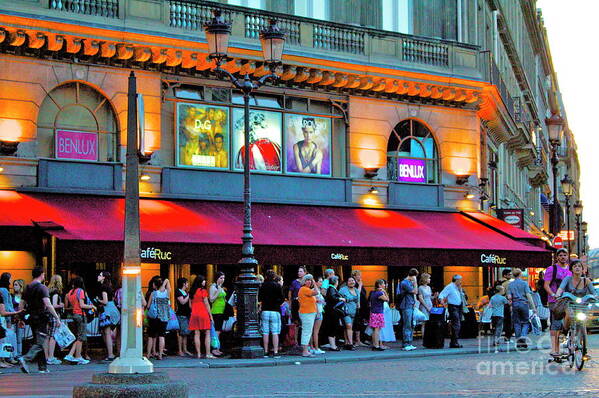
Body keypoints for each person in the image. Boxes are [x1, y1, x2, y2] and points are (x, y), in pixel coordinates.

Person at [18, 268, 62, 374]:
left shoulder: (27, 287)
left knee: (38, 341)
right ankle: (26, 358)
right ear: (42, 275)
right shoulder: (42, 288)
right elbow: (48, 304)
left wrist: (20, 318)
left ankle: (42, 367)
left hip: (31, 317)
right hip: (41, 317)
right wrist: (56, 317)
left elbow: (21, 304)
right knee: (40, 341)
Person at [544, 248, 572, 357]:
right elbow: (546, 285)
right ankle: (555, 349)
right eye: (560, 255)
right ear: (557, 257)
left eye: (565, 255)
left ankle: (567, 344)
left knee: (569, 322)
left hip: (568, 300)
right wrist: (552, 294)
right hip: (555, 301)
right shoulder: (552, 269)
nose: (563, 257)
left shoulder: (571, 269)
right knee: (556, 324)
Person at [556, 260, 598, 331]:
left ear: (582, 269)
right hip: (569, 303)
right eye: (575, 266)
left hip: (582, 304)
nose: (577, 268)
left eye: (579, 266)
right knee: (569, 315)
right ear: (571, 269)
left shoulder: (586, 281)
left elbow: (594, 292)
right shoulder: (568, 278)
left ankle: (582, 333)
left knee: (586, 318)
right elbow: (560, 289)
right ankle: (565, 331)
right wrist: (557, 294)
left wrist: (596, 296)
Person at [64, 276, 95, 365]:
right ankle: (78, 356)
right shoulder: (80, 291)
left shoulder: (70, 292)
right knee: (81, 337)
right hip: (81, 315)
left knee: (79, 337)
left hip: (74, 314)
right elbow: (82, 305)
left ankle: (72, 355)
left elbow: (69, 305)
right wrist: (92, 306)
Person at [507, 269, 537, 349]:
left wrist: (511, 305)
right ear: (520, 274)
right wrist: (533, 307)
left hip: (515, 304)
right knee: (525, 322)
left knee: (516, 323)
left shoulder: (510, 285)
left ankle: (518, 341)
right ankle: (523, 338)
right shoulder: (524, 283)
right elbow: (528, 296)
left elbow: (509, 297)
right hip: (524, 304)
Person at [258, 270, 284, 358]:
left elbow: (259, 298)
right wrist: (277, 303)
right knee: (275, 332)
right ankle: (275, 351)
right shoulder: (277, 286)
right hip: (275, 310)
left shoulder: (263, 286)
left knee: (265, 332)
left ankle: (266, 351)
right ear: (274, 277)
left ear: (266, 277)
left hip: (265, 310)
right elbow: (282, 298)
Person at [145, 277, 171, 360]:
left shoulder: (153, 293)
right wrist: (163, 284)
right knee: (161, 335)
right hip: (164, 317)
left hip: (154, 317)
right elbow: (167, 281)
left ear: (155, 285)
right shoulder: (167, 293)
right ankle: (160, 355)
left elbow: (148, 306)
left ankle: (148, 354)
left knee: (151, 336)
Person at [188, 275, 213, 359]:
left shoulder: (192, 291)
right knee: (207, 333)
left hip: (194, 313)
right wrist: (210, 316)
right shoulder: (203, 291)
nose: (205, 282)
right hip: (203, 312)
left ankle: (198, 354)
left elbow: (190, 305)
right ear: (200, 282)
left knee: (196, 333)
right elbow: (206, 304)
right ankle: (208, 353)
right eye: (203, 281)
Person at [97, 271, 120, 361]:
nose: (98, 276)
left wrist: (98, 300)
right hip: (112, 309)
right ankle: (111, 353)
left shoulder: (103, 287)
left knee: (106, 333)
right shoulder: (109, 287)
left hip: (107, 311)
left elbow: (105, 301)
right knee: (107, 333)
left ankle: (110, 354)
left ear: (104, 278)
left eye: (100, 275)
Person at [439, 274, 465, 348]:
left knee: (458, 323)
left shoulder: (457, 287)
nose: (461, 282)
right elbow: (441, 295)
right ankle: (454, 342)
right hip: (453, 307)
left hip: (459, 307)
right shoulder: (449, 287)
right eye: (460, 280)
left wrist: (460, 290)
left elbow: (461, 296)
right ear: (456, 280)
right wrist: (443, 303)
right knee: (456, 324)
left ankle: (454, 341)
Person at [0, 282, 21, 369]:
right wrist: (16, 312)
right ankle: (2, 360)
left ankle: (3, 360)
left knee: (3, 339)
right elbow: (3, 312)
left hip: (2, 320)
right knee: (2, 339)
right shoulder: (2, 296)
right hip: (2, 320)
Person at [397, 269, 418, 351]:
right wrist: (415, 283)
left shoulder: (408, 282)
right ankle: (406, 343)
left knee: (410, 324)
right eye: (415, 276)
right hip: (406, 306)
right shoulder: (405, 283)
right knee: (407, 324)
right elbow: (415, 291)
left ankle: (409, 342)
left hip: (410, 305)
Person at [297, 274, 318, 357]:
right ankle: (305, 351)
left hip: (308, 313)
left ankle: (306, 350)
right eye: (307, 280)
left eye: (310, 280)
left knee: (307, 331)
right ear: (304, 281)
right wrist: (315, 283)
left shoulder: (306, 289)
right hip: (307, 313)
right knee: (306, 332)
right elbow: (316, 292)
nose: (309, 281)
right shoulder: (304, 289)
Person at [45, 275, 64, 365]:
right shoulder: (56, 292)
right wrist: (61, 305)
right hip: (53, 315)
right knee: (53, 336)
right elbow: (54, 305)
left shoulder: (48, 291)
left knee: (47, 336)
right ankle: (51, 357)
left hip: (47, 315)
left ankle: (46, 356)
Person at [323, 275, 344, 351]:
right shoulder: (332, 289)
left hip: (332, 311)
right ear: (335, 282)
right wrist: (340, 298)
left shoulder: (332, 288)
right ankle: (333, 346)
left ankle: (333, 345)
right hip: (332, 312)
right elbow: (333, 298)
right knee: (333, 327)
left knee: (334, 327)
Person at [338, 277, 359, 350]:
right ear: (347, 282)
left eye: (353, 280)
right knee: (349, 326)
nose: (351, 282)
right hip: (345, 311)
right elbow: (338, 299)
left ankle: (346, 343)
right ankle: (350, 344)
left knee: (347, 327)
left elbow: (358, 302)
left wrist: (358, 306)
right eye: (349, 280)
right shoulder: (343, 289)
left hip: (353, 311)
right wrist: (348, 299)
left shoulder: (356, 290)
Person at [369, 279, 389, 351]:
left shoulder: (373, 292)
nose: (385, 285)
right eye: (383, 284)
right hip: (378, 312)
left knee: (374, 330)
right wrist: (385, 292)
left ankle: (375, 344)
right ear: (380, 285)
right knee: (377, 329)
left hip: (373, 312)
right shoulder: (379, 293)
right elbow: (387, 299)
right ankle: (377, 345)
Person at [175, 277, 193, 357]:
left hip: (187, 314)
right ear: (183, 284)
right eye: (187, 283)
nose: (188, 284)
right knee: (181, 333)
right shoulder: (178, 291)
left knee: (185, 333)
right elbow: (182, 302)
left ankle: (185, 349)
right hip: (181, 314)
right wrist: (188, 295)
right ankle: (180, 350)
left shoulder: (184, 291)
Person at [209, 272, 227, 350]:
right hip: (216, 311)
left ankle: (217, 348)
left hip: (222, 311)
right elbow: (211, 299)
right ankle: (215, 348)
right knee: (216, 331)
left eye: (223, 278)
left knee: (219, 330)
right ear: (217, 278)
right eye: (221, 278)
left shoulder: (220, 287)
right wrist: (218, 292)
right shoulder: (213, 287)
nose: (222, 280)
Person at [352, 270, 369, 347]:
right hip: (357, 306)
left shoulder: (360, 283)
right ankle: (357, 340)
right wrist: (360, 285)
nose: (360, 276)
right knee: (357, 323)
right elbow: (356, 294)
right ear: (354, 276)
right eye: (358, 275)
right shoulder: (354, 284)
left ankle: (361, 339)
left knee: (362, 323)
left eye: (360, 275)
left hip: (363, 306)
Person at [496, 269, 513, 342]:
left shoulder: (497, 282)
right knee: (508, 321)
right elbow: (509, 294)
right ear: (505, 275)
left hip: (497, 304)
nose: (510, 275)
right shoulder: (507, 283)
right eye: (509, 274)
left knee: (499, 322)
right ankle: (507, 338)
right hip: (505, 304)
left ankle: (496, 338)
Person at [310, 276, 325, 355]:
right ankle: (316, 348)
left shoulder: (316, 291)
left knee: (312, 331)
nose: (321, 283)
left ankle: (312, 347)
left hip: (315, 311)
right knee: (315, 331)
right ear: (315, 282)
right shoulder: (315, 291)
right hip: (317, 312)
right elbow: (316, 300)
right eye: (320, 281)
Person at [418, 273, 434, 337]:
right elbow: (421, 298)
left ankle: (429, 337)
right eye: (428, 278)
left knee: (429, 322)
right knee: (424, 322)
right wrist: (427, 307)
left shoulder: (429, 287)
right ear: (425, 279)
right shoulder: (420, 288)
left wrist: (434, 297)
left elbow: (430, 297)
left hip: (430, 304)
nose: (429, 279)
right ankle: (424, 337)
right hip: (424, 305)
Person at [12, 279, 25, 357]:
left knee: (19, 338)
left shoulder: (24, 296)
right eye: (14, 285)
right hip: (13, 318)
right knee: (13, 337)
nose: (14, 287)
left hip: (21, 318)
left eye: (16, 285)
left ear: (21, 286)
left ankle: (19, 355)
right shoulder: (11, 296)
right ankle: (13, 355)